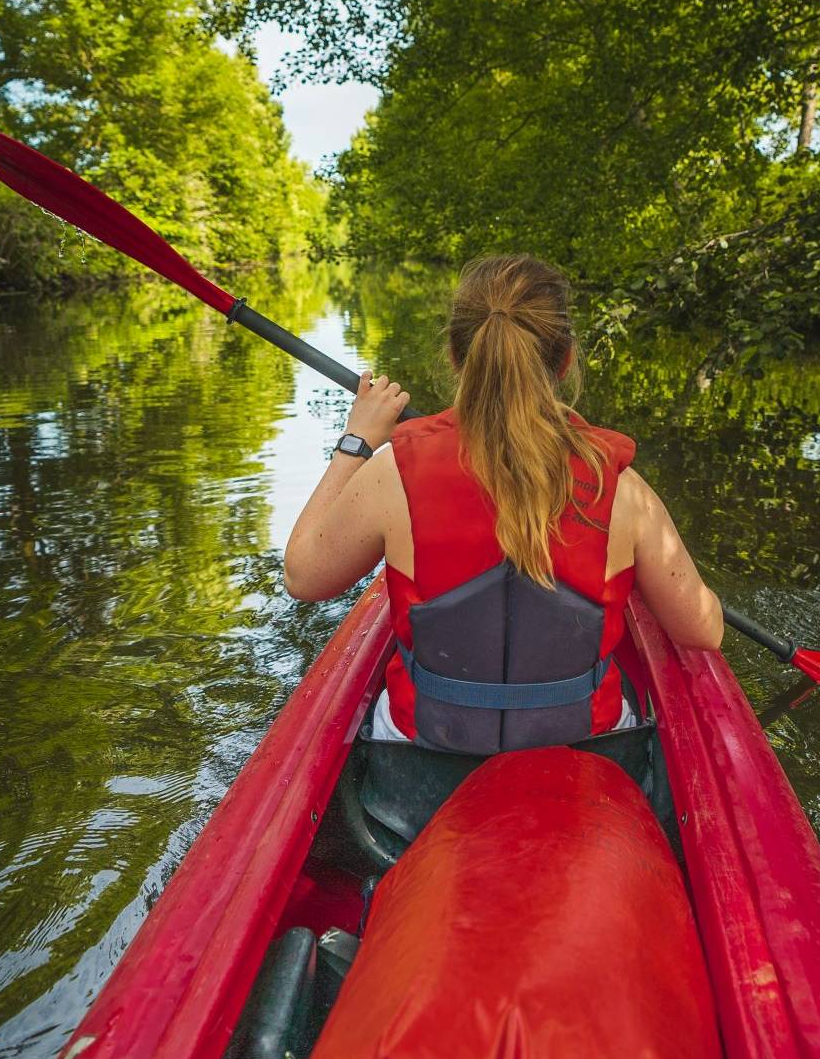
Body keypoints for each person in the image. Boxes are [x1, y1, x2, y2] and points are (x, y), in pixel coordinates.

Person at [283, 254, 723, 754]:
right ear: (565, 360)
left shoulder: (393, 473)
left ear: (454, 355)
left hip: (424, 743)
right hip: (585, 742)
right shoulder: (617, 485)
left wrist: (357, 441)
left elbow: (303, 576)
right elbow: (702, 630)